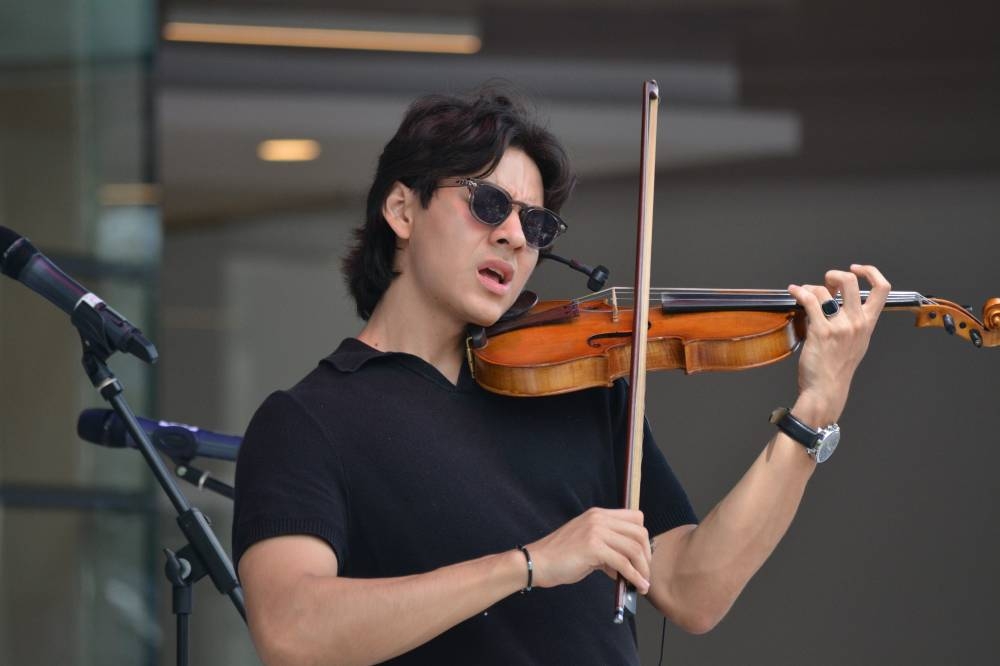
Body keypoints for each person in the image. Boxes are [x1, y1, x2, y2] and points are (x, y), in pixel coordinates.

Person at [232, 87, 890, 665]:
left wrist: (816, 409)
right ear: (403, 211)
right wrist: (529, 564)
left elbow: (693, 590)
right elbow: (292, 631)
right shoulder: (308, 421)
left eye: (536, 222)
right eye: (489, 204)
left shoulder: (580, 389)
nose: (517, 237)